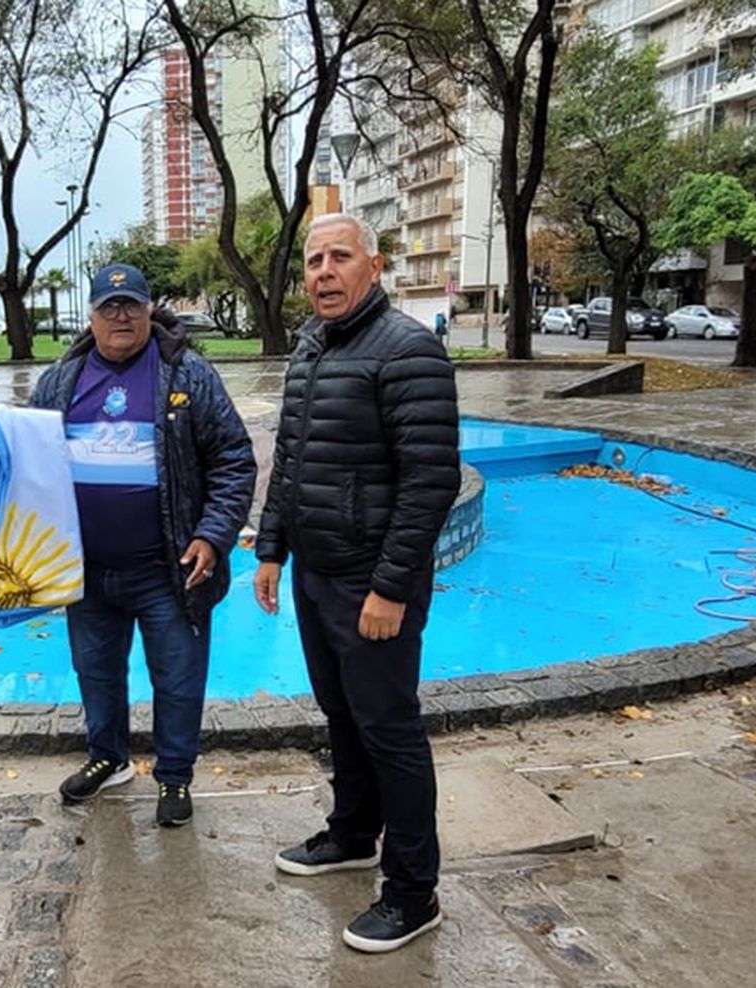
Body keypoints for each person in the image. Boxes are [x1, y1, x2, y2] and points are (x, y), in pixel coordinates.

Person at [254, 214, 460, 952]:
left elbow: (430, 481)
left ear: (373, 266)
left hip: (372, 585)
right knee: (342, 717)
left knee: (391, 732)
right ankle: (351, 833)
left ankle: (413, 892)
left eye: (339, 257)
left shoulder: (408, 350)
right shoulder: (311, 347)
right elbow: (291, 457)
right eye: (313, 260)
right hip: (317, 575)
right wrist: (272, 548)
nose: (323, 272)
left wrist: (392, 588)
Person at [31, 263, 256, 827]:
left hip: (168, 569)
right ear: (92, 315)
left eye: (131, 304)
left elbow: (234, 460)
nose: (121, 315)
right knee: (96, 672)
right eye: (110, 307)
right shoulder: (61, 379)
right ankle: (107, 757)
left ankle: (174, 777)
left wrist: (213, 534)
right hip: (86, 571)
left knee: (177, 679)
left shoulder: (187, 373)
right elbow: (28, 463)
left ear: (149, 309)